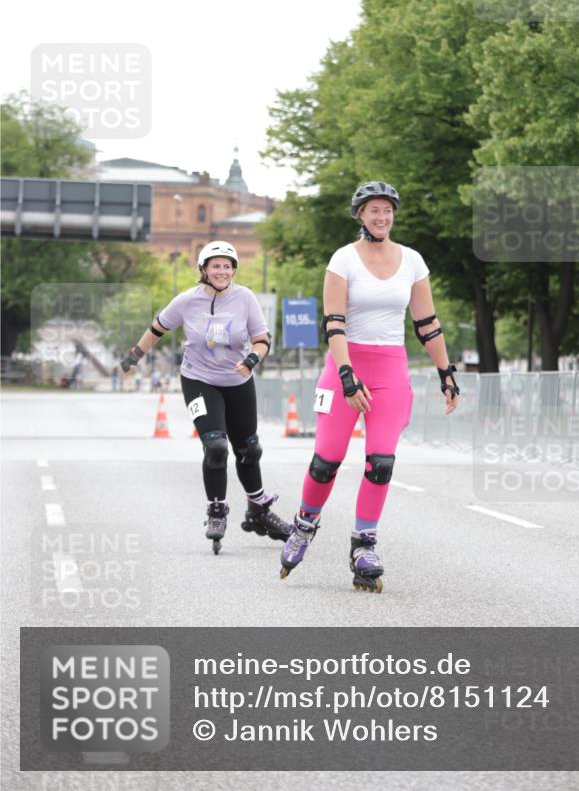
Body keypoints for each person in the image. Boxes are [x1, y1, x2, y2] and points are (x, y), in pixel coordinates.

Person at [280, 181, 460, 591]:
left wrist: (445, 373)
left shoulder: (412, 260)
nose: (382, 217)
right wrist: (346, 375)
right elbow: (334, 324)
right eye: (373, 210)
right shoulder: (343, 260)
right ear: (360, 214)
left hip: (390, 369)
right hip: (345, 365)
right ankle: (304, 523)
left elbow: (427, 324)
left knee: (381, 464)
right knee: (326, 461)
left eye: (387, 210)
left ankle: (364, 544)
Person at [119, 240, 290, 555]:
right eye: (216, 266)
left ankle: (259, 510)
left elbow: (262, 339)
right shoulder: (187, 301)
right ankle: (216, 509)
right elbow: (157, 329)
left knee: (249, 449)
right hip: (198, 380)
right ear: (204, 270)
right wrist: (134, 356)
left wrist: (253, 359)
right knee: (215, 446)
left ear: (233, 270)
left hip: (238, 380)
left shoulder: (245, 299)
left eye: (227, 266)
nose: (222, 271)